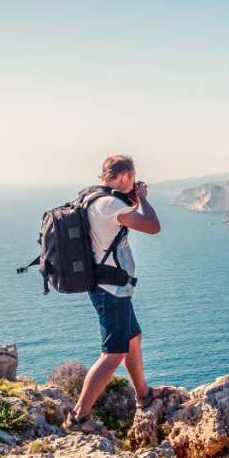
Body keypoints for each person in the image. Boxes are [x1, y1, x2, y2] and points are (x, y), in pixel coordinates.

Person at [72, 154, 160, 425]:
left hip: (109, 285)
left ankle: (143, 395)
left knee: (133, 337)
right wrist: (143, 199)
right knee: (113, 353)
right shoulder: (110, 203)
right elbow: (153, 227)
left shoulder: (94, 198)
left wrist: (132, 198)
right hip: (110, 290)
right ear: (125, 176)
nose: (134, 183)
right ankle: (78, 417)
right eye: (133, 178)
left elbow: (115, 223)